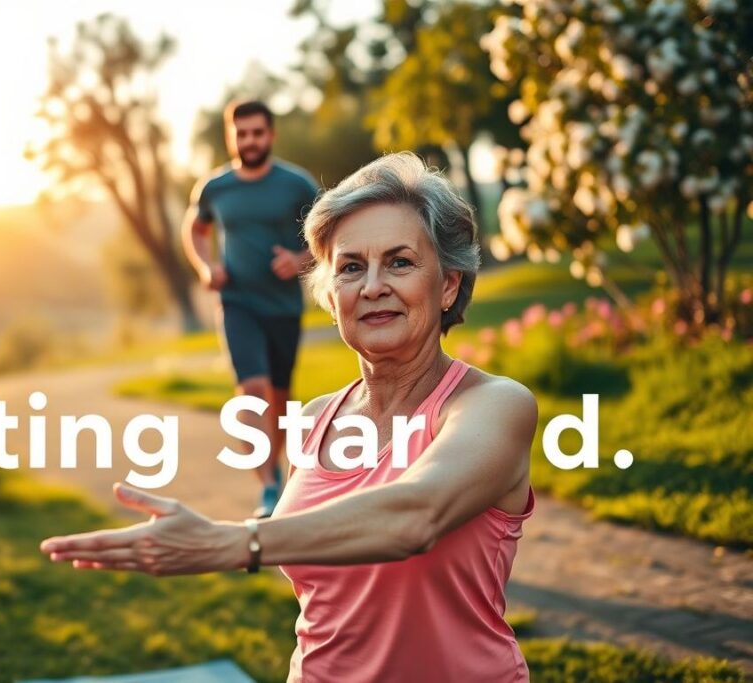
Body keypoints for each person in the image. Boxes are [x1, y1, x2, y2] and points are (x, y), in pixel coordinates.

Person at [41, 152, 537, 682]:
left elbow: (416, 515)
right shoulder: (316, 420)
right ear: (331, 296)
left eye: (400, 262)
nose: (372, 286)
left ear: (449, 285)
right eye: (351, 267)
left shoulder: (494, 405)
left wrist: (234, 542)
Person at [182, 99, 320, 517]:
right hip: (237, 303)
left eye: (257, 133)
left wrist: (299, 260)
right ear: (231, 137)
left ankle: (277, 475)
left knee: (280, 397)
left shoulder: (297, 185)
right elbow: (195, 228)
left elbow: (328, 236)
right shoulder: (215, 187)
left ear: (271, 135)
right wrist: (206, 266)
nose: (250, 141)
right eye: (241, 134)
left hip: (283, 307)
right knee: (252, 390)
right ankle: (269, 486)